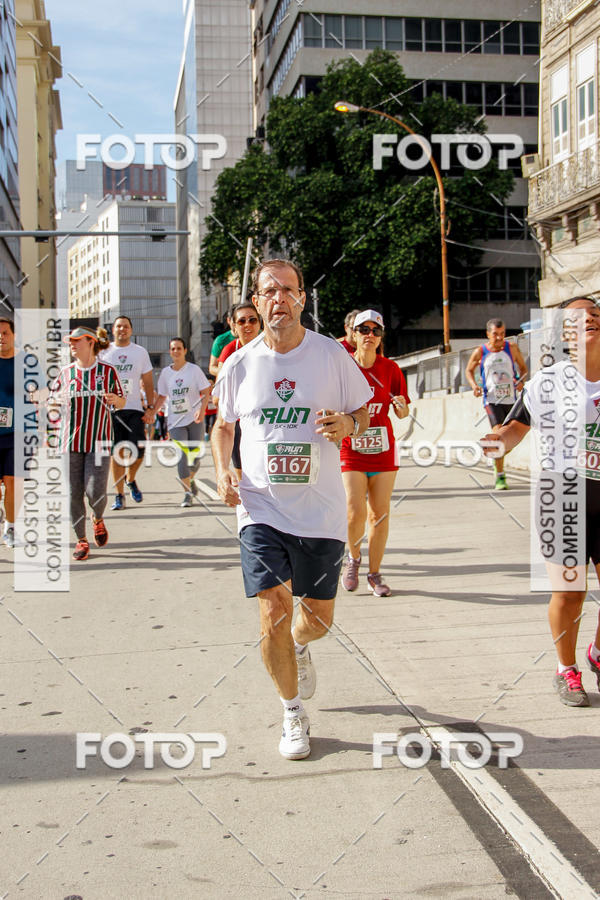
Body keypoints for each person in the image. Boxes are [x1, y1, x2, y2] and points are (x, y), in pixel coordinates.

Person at [211, 258, 371, 760]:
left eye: (287, 290)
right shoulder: (239, 363)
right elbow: (223, 427)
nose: (278, 298)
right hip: (259, 507)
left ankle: (301, 647)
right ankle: (292, 711)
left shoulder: (330, 355)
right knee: (273, 612)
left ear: (302, 298)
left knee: (316, 620)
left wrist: (348, 426)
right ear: (256, 303)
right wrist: (223, 469)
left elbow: (364, 411)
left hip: (320, 511)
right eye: (268, 291)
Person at [482, 297, 600, 708]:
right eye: (576, 319)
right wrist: (499, 441)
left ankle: (597, 653)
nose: (587, 321)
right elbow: (516, 426)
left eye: (594, 316)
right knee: (570, 592)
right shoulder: (547, 381)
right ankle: (566, 669)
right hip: (563, 497)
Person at [340, 310, 410, 597]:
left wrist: (401, 406)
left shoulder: (391, 369)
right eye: (363, 329)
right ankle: (353, 559)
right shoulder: (342, 368)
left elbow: (404, 412)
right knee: (354, 511)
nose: (370, 335)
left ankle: (375, 572)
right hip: (351, 449)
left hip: (383, 450)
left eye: (376, 331)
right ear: (353, 335)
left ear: (381, 337)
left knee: (379, 514)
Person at [50, 326, 125, 561]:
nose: (72, 344)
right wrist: (54, 404)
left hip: (100, 441)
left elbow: (122, 401)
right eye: (70, 341)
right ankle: (81, 540)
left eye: (76, 340)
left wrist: (115, 399)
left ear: (91, 342)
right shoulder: (65, 373)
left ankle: (98, 518)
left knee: (96, 493)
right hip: (69, 442)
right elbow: (51, 404)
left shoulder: (108, 371)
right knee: (73, 493)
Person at [100, 316, 155, 511]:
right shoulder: (104, 352)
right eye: (118, 326)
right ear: (113, 330)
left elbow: (148, 381)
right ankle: (119, 494)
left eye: (126, 326)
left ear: (131, 330)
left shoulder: (139, 352)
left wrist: (151, 407)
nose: (122, 329)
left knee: (139, 449)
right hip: (111, 410)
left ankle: (131, 479)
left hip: (134, 408)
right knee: (118, 453)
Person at [465, 318, 527, 490]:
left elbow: (523, 368)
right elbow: (468, 370)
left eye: (502, 334)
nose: (499, 338)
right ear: (488, 334)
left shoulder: (512, 348)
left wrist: (521, 381)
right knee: (499, 437)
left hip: (511, 399)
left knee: (509, 442)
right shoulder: (480, 352)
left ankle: (495, 457)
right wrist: (474, 386)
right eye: (495, 334)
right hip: (492, 400)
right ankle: (500, 476)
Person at [155, 337, 210, 507]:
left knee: (195, 458)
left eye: (179, 348)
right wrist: (151, 411)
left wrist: (201, 411)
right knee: (182, 457)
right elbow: (162, 396)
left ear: (185, 351)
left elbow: (206, 391)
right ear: (170, 352)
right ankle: (187, 493)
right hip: (175, 421)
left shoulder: (193, 370)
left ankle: (191, 479)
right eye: (173, 349)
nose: (176, 351)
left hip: (194, 419)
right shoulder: (165, 373)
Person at [217, 301, 262, 479]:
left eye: (252, 320)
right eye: (242, 321)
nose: (248, 325)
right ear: (234, 327)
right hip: (239, 418)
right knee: (242, 469)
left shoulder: (275, 352)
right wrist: (221, 470)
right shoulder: (230, 353)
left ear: (260, 323)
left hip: (269, 424)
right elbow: (219, 373)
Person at [0, 317, 16, 548]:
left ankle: (10, 528)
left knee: (13, 481)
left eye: (5, 333)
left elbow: (42, 394)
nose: (1, 337)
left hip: (17, 433)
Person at [209, 310, 235, 377]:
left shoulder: (259, 336)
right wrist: (228, 372)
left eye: (252, 320)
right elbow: (212, 368)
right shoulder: (221, 340)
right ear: (229, 320)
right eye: (241, 321)